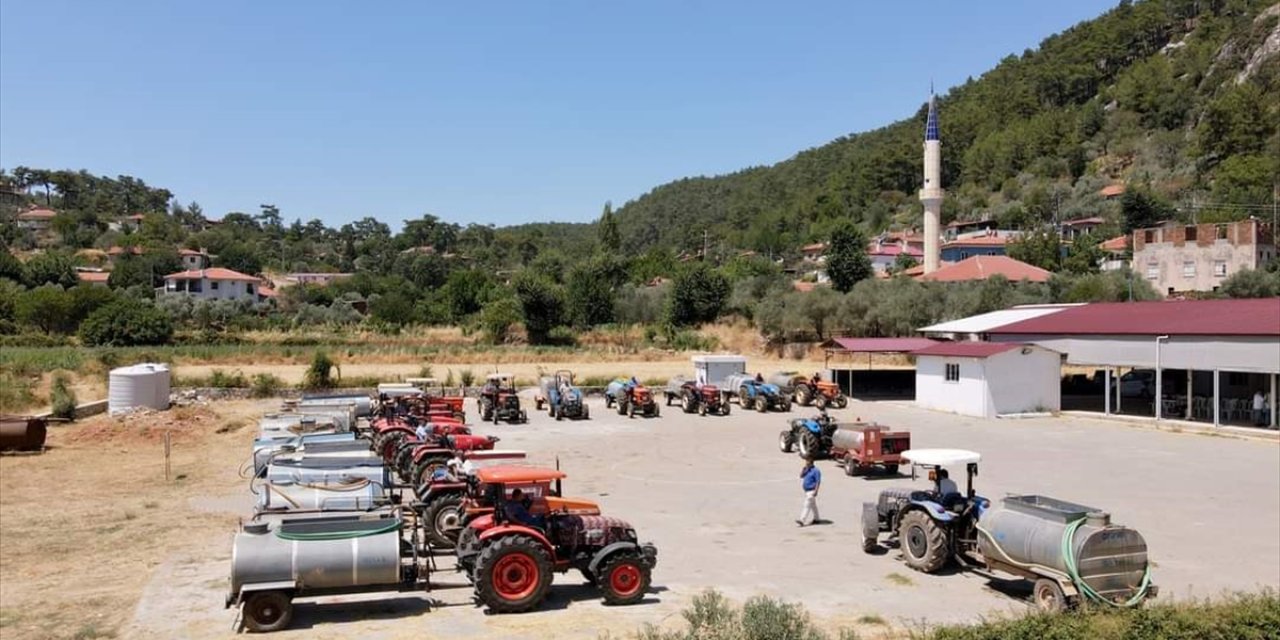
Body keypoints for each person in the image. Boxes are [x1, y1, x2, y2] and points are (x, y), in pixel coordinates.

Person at [797, 457, 821, 526]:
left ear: (811, 463)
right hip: (806, 491)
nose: (806, 464)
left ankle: (802, 520)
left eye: (807, 463)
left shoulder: (816, 471)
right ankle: (817, 519)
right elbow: (801, 476)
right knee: (813, 506)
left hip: (812, 491)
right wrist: (804, 470)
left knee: (806, 505)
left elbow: (818, 481)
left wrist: (816, 491)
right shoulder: (807, 470)